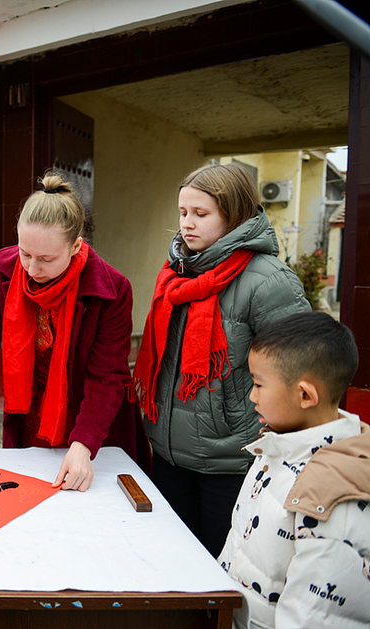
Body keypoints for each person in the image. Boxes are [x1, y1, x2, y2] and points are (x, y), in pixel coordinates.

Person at [130, 162, 310, 556]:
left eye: (201, 214)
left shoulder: (269, 281)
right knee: (172, 559)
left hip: (231, 461)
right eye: (182, 213)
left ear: (234, 215)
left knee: (220, 566)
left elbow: (300, 368)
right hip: (168, 451)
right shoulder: (176, 273)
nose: (187, 224)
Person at [0, 172, 149, 491]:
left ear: (76, 245)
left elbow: (106, 378)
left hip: (88, 423)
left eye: (46, 259)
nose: (32, 270)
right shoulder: (3, 269)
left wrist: (83, 445)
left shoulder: (112, 289)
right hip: (29, 416)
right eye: (25, 254)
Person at [217, 312, 370, 628]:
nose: (252, 395)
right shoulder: (279, 444)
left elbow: (315, 615)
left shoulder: (334, 491)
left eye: (259, 384)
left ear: (305, 395)